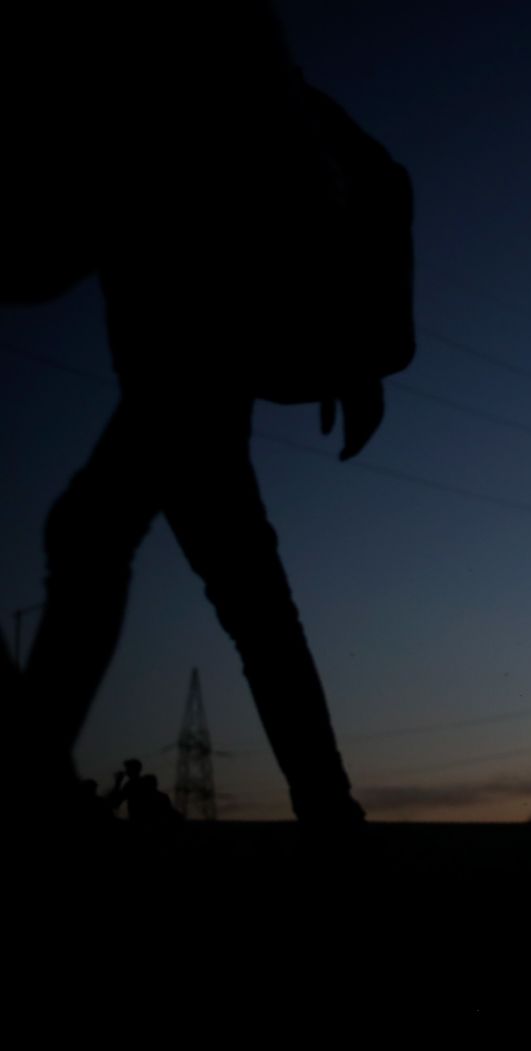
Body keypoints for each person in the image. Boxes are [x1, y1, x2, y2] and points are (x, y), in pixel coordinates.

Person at [18, 3, 372, 828]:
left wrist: (348, 346)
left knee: (99, 534)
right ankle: (328, 805)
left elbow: (298, 179)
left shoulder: (198, 53)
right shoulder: (187, 64)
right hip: (188, 363)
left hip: (193, 356)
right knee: (242, 588)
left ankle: (35, 776)